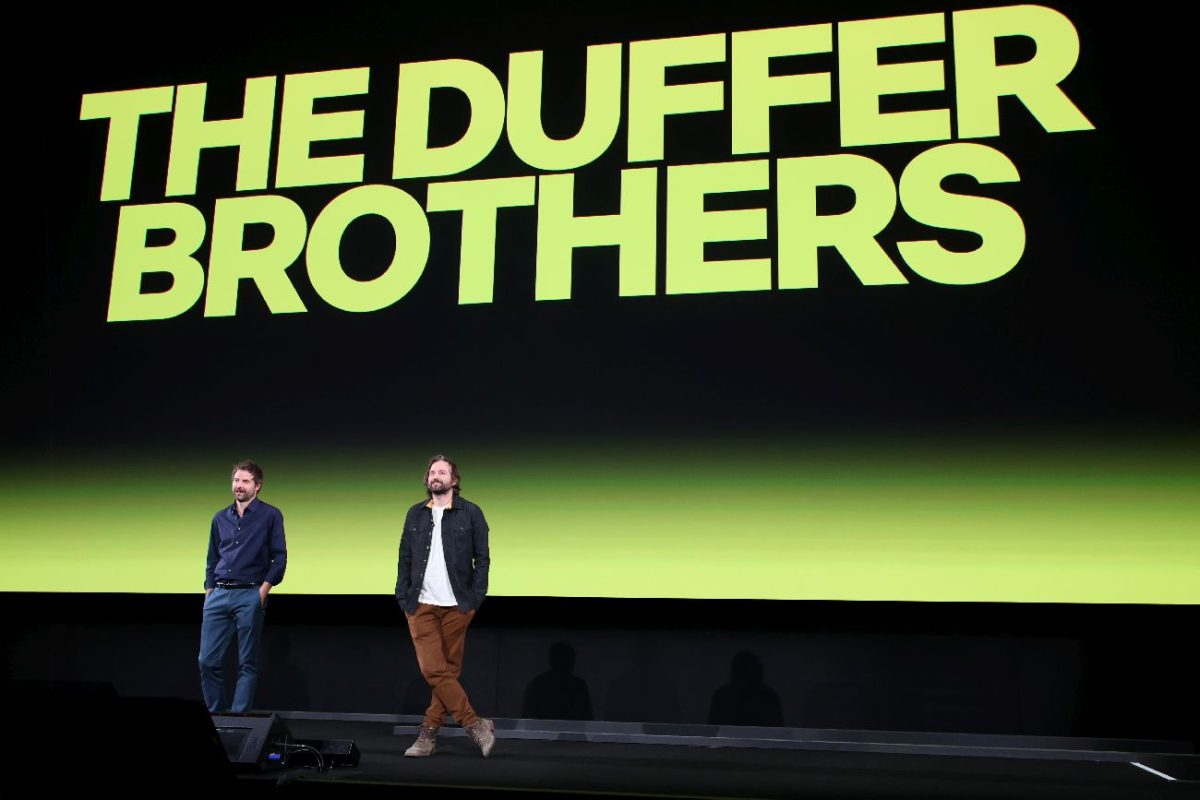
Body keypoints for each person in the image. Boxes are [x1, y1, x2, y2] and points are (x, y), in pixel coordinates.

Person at [396, 454, 494, 757]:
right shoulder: (415, 514)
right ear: (427, 480)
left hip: (457, 606)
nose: (436, 476)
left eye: (442, 472)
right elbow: (405, 558)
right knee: (434, 670)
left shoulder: (472, 513)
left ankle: (427, 735)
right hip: (420, 605)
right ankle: (474, 725)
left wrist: (474, 600)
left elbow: (483, 559)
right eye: (432, 472)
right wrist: (403, 597)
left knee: (447, 671)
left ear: (454, 480)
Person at [198, 460, 287, 713]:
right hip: (219, 594)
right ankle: (216, 716)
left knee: (247, 663)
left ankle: (239, 718)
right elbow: (212, 557)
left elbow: (279, 557)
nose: (239, 485)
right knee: (207, 661)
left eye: (245, 481)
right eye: (236, 480)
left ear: (257, 486)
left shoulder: (270, 515)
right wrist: (209, 590)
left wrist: (262, 591)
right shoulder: (220, 518)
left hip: (250, 593)